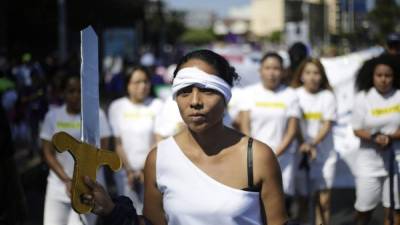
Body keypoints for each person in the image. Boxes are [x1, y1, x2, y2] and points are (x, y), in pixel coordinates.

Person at [81, 49, 290, 225]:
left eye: (208, 91)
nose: (195, 101)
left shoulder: (258, 158)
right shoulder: (158, 159)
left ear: (226, 95)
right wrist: (111, 210)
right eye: (185, 91)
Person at [40, 75, 111, 225]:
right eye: (71, 91)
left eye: (80, 91)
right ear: (63, 93)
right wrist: (67, 180)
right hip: (58, 187)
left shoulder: (97, 115)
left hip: (88, 188)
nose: (76, 95)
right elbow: (47, 153)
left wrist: (81, 181)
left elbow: (103, 149)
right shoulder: (52, 116)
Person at [240, 52, 299, 205]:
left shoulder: (290, 94)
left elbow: (292, 131)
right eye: (267, 68)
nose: (271, 73)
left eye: (276, 68)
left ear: (283, 71)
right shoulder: (249, 93)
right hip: (253, 160)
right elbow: (244, 127)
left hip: (282, 161)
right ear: (260, 70)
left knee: (281, 208)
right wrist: (256, 154)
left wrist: (274, 154)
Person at [108, 66, 163, 220]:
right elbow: (117, 143)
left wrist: (145, 170)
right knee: (126, 214)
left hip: (151, 172)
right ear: (127, 85)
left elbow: (158, 140)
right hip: (125, 173)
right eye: (137, 82)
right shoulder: (117, 107)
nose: (143, 86)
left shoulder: (157, 105)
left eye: (146, 81)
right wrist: (130, 171)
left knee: (150, 214)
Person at [352, 55, 400, 225]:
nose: (384, 80)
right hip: (368, 163)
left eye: (388, 75)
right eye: (379, 75)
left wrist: (390, 137)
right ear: (371, 76)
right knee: (364, 209)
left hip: (395, 161)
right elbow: (357, 129)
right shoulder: (363, 98)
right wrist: (374, 137)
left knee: (394, 209)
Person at [291, 58, 337, 225]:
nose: (312, 77)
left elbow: (327, 124)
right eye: (308, 73)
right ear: (301, 76)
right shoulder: (294, 95)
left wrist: (312, 144)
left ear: (322, 76)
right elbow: (293, 124)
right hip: (300, 156)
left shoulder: (328, 96)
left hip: (324, 156)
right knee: (302, 201)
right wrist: (304, 143)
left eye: (316, 73)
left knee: (323, 202)